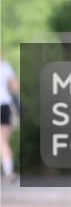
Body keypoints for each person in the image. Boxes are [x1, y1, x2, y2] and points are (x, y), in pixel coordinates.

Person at [0, 54, 19, 183]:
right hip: (4, 104)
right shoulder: (5, 66)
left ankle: (8, 171)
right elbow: (15, 87)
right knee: (3, 140)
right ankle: (8, 171)